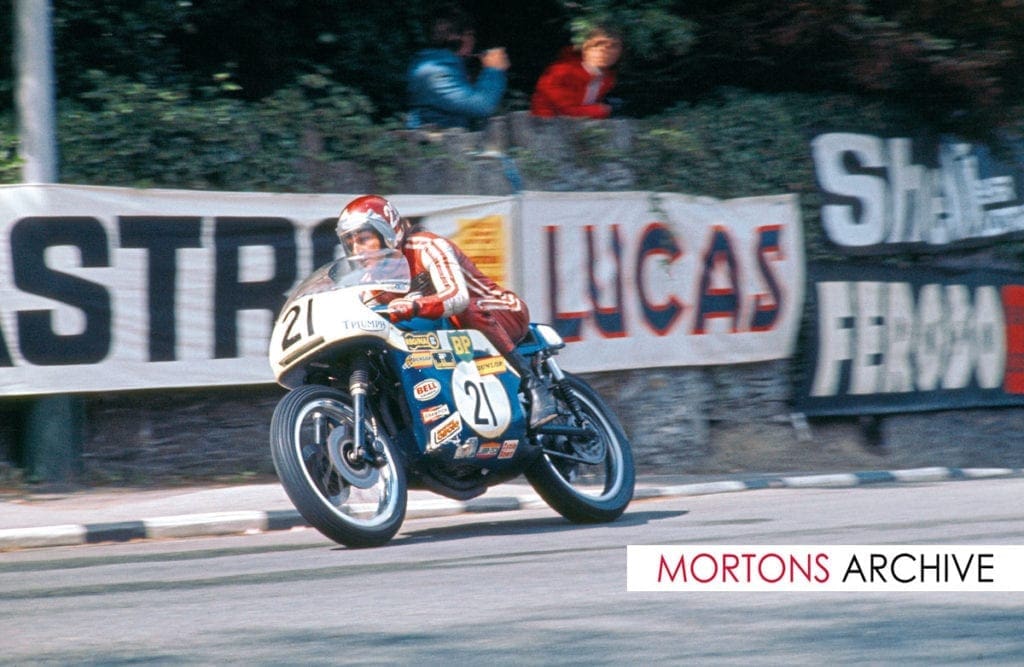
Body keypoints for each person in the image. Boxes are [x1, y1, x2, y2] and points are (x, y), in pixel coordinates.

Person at [336, 195, 557, 428]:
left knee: (465, 310)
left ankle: (532, 384)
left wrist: (414, 305)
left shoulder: (426, 246)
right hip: (457, 337)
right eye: (350, 243)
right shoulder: (372, 280)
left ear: (388, 233)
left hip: (501, 310)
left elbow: (457, 297)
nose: (356, 249)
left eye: (363, 239)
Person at [406, 7, 510, 130]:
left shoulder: (438, 65)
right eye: (471, 35)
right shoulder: (434, 71)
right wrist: (494, 70)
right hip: (437, 147)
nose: (474, 41)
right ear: (462, 37)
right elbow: (482, 107)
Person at [530, 25, 623, 119]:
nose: (605, 50)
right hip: (546, 128)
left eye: (613, 46)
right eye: (598, 44)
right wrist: (602, 110)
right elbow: (567, 112)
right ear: (585, 47)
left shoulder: (607, 78)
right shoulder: (560, 72)